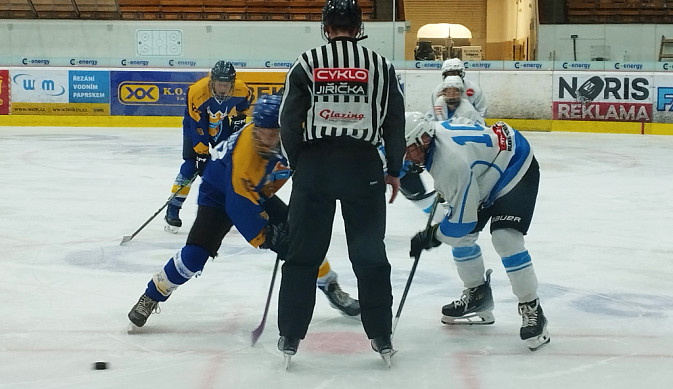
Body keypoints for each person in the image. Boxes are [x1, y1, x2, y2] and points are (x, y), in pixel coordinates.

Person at [128, 94, 360, 330]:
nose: (264, 138)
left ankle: (331, 287)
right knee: (195, 256)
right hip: (218, 195)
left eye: (272, 132)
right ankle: (152, 294)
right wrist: (266, 237)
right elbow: (238, 203)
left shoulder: (293, 137)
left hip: (255, 190)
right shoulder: (246, 157)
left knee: (303, 238)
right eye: (259, 131)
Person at [276, 0, 406, 365]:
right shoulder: (381, 66)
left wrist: (297, 162)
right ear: (358, 26)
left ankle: (290, 335)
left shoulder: (307, 62)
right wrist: (394, 169)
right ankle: (381, 335)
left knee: (302, 255)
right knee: (369, 255)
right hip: (362, 167)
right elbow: (395, 124)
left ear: (326, 26)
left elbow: (289, 119)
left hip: (315, 164)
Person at [404, 112, 550, 351]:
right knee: (463, 238)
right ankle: (478, 295)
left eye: (408, 149)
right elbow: (470, 123)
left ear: (424, 139)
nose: (406, 156)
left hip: (515, 163)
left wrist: (430, 237)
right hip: (486, 169)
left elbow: (462, 223)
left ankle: (532, 308)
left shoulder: (449, 165)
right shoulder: (434, 132)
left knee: (505, 238)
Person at [164, 60, 255, 233]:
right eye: (219, 84)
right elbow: (197, 125)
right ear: (212, 82)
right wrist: (200, 153)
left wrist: (239, 118)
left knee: (230, 165)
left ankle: (229, 210)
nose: (222, 88)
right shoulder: (197, 92)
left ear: (232, 83)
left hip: (220, 123)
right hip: (195, 125)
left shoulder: (241, 90)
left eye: (226, 84)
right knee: (191, 166)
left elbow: (247, 101)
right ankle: (173, 208)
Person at [399, 76, 483, 220]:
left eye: (455, 91)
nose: (451, 94)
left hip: (462, 148)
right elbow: (429, 124)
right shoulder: (439, 103)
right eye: (447, 91)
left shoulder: (467, 110)